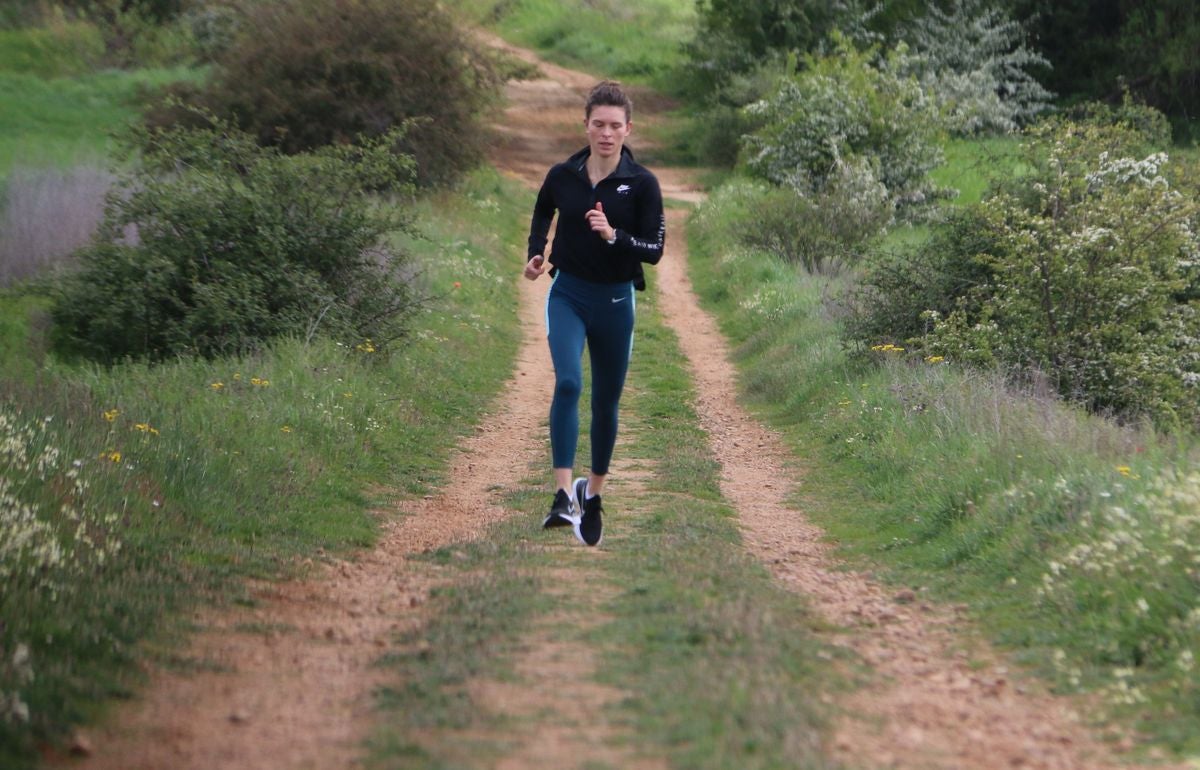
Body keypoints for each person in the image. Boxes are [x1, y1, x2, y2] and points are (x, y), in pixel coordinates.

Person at [523, 80, 665, 547]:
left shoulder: (642, 184)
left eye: (615, 126)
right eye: (598, 125)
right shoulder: (563, 175)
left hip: (616, 301)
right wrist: (536, 252)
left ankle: (594, 493)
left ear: (628, 129)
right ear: (585, 125)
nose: (606, 133)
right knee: (568, 382)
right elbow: (544, 210)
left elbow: (656, 249)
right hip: (568, 294)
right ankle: (562, 494)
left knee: (606, 400)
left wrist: (613, 236)